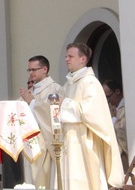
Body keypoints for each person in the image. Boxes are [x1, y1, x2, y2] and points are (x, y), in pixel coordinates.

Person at [58, 42, 124, 189]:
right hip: (68, 139)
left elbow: (91, 112)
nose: (67, 59)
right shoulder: (68, 84)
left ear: (83, 59)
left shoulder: (90, 83)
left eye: (70, 56)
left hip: (84, 140)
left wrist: (65, 104)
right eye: (66, 56)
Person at [18, 54, 64, 189]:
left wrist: (32, 102)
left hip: (45, 141)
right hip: (30, 140)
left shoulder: (55, 89)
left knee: (42, 178)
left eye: (34, 69)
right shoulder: (32, 90)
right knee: (30, 178)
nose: (31, 73)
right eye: (29, 70)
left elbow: (53, 113)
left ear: (44, 69)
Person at [102, 79, 128, 171]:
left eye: (108, 97)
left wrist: (113, 119)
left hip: (126, 155)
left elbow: (124, 129)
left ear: (117, 91)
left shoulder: (128, 106)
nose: (108, 101)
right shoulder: (112, 108)